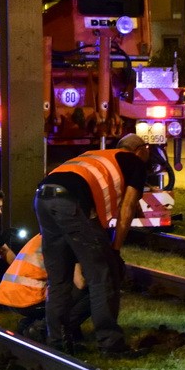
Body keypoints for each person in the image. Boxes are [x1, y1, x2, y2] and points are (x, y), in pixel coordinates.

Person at [34, 133, 149, 355]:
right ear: (140, 150)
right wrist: (115, 249)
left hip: (42, 197)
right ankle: (111, 344)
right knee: (103, 275)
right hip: (69, 203)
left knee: (59, 279)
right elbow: (128, 208)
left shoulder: (94, 155)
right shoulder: (134, 162)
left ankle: (57, 341)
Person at [0, 233, 90, 341]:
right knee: (91, 293)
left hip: (11, 295)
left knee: (65, 288)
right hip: (28, 297)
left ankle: (28, 324)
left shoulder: (45, 233)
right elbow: (80, 283)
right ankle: (44, 329)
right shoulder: (68, 237)